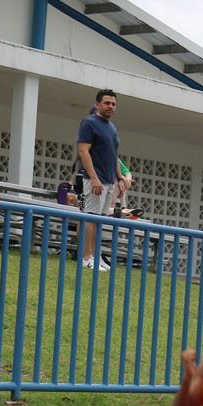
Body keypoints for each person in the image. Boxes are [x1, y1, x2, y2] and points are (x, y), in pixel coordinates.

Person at [76, 89, 120, 270]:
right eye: (107, 103)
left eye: (113, 104)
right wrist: (93, 177)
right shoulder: (89, 124)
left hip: (109, 181)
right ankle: (86, 257)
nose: (110, 106)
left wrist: (119, 178)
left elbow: (114, 155)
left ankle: (95, 255)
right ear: (98, 104)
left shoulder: (112, 127)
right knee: (91, 218)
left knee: (100, 220)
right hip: (95, 180)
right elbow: (83, 151)